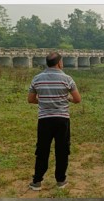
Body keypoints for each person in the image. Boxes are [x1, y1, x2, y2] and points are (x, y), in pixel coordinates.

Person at [27, 51, 82, 191]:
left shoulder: (37, 78)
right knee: (62, 150)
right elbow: (77, 99)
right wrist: (66, 98)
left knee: (42, 150)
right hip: (62, 120)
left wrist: (44, 101)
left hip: (44, 120)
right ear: (59, 63)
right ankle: (60, 180)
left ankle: (37, 181)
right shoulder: (67, 79)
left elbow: (31, 100)